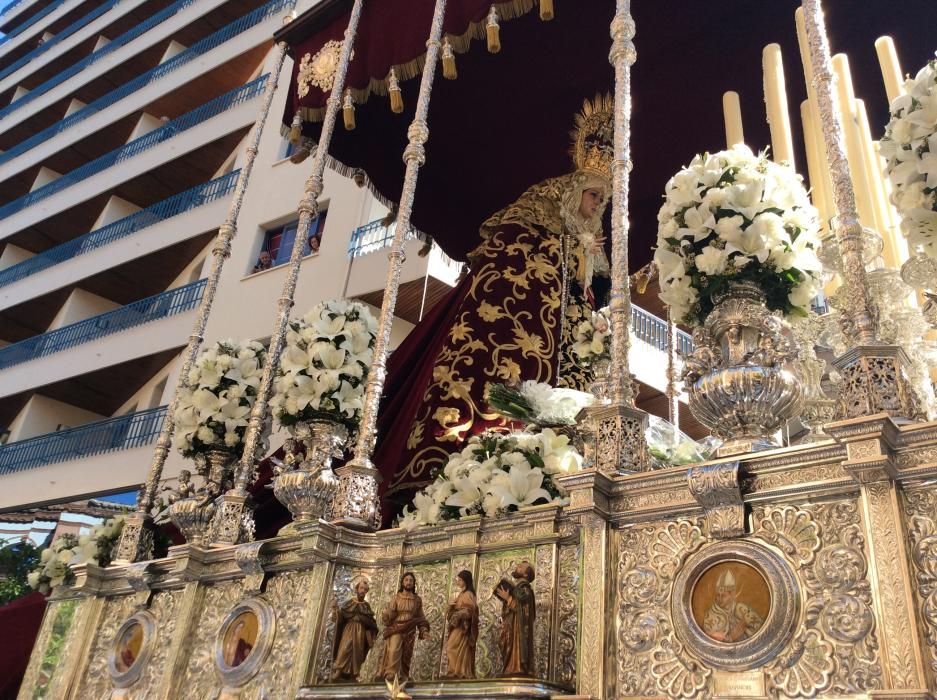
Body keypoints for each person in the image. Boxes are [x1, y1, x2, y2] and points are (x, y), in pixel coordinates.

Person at [379, 96, 614, 505]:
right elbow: (510, 260)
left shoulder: (587, 242)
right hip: (526, 339)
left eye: (602, 201)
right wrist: (569, 249)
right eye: (594, 196)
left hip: (571, 349)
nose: (598, 206)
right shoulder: (534, 219)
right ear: (570, 192)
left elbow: (593, 291)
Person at [376, 572, 430, 682]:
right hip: (397, 628)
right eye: (406, 580)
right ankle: (391, 673)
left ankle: (403, 675)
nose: (408, 582)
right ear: (402, 583)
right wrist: (386, 615)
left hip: (410, 629)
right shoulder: (396, 598)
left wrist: (423, 630)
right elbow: (390, 613)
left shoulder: (417, 600)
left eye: (411, 580)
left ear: (414, 583)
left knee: (406, 654)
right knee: (394, 649)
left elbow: (420, 617)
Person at [331, 579, 379, 681]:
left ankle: (355, 673)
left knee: (358, 651)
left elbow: (371, 622)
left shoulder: (366, 606)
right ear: (356, 589)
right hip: (349, 629)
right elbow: (341, 616)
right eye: (361, 588)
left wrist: (362, 620)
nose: (363, 591)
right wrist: (335, 610)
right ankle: (338, 671)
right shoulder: (349, 603)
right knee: (344, 648)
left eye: (365, 590)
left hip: (360, 632)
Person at [701, 568, 764, 643]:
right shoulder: (710, 615)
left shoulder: (740, 608)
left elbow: (759, 627)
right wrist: (730, 638)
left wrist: (745, 623)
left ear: (731, 595)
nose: (720, 599)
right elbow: (709, 638)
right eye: (718, 595)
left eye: (723, 596)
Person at [496, 561, 536, 677]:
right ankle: (510, 667)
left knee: (516, 647)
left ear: (526, 575)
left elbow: (524, 612)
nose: (518, 566)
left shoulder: (525, 590)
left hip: (519, 628)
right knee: (505, 643)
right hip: (511, 625)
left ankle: (517, 667)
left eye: (521, 567)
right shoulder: (517, 588)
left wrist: (508, 598)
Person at [444, 570, 479, 679]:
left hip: (463, 628)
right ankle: (454, 671)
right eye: (457, 579)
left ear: (465, 581)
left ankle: (459, 672)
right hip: (456, 626)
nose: (458, 582)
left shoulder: (468, 594)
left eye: (460, 580)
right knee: (450, 647)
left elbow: (470, 610)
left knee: (452, 647)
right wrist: (450, 607)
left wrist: (458, 614)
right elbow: (450, 614)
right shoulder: (460, 594)